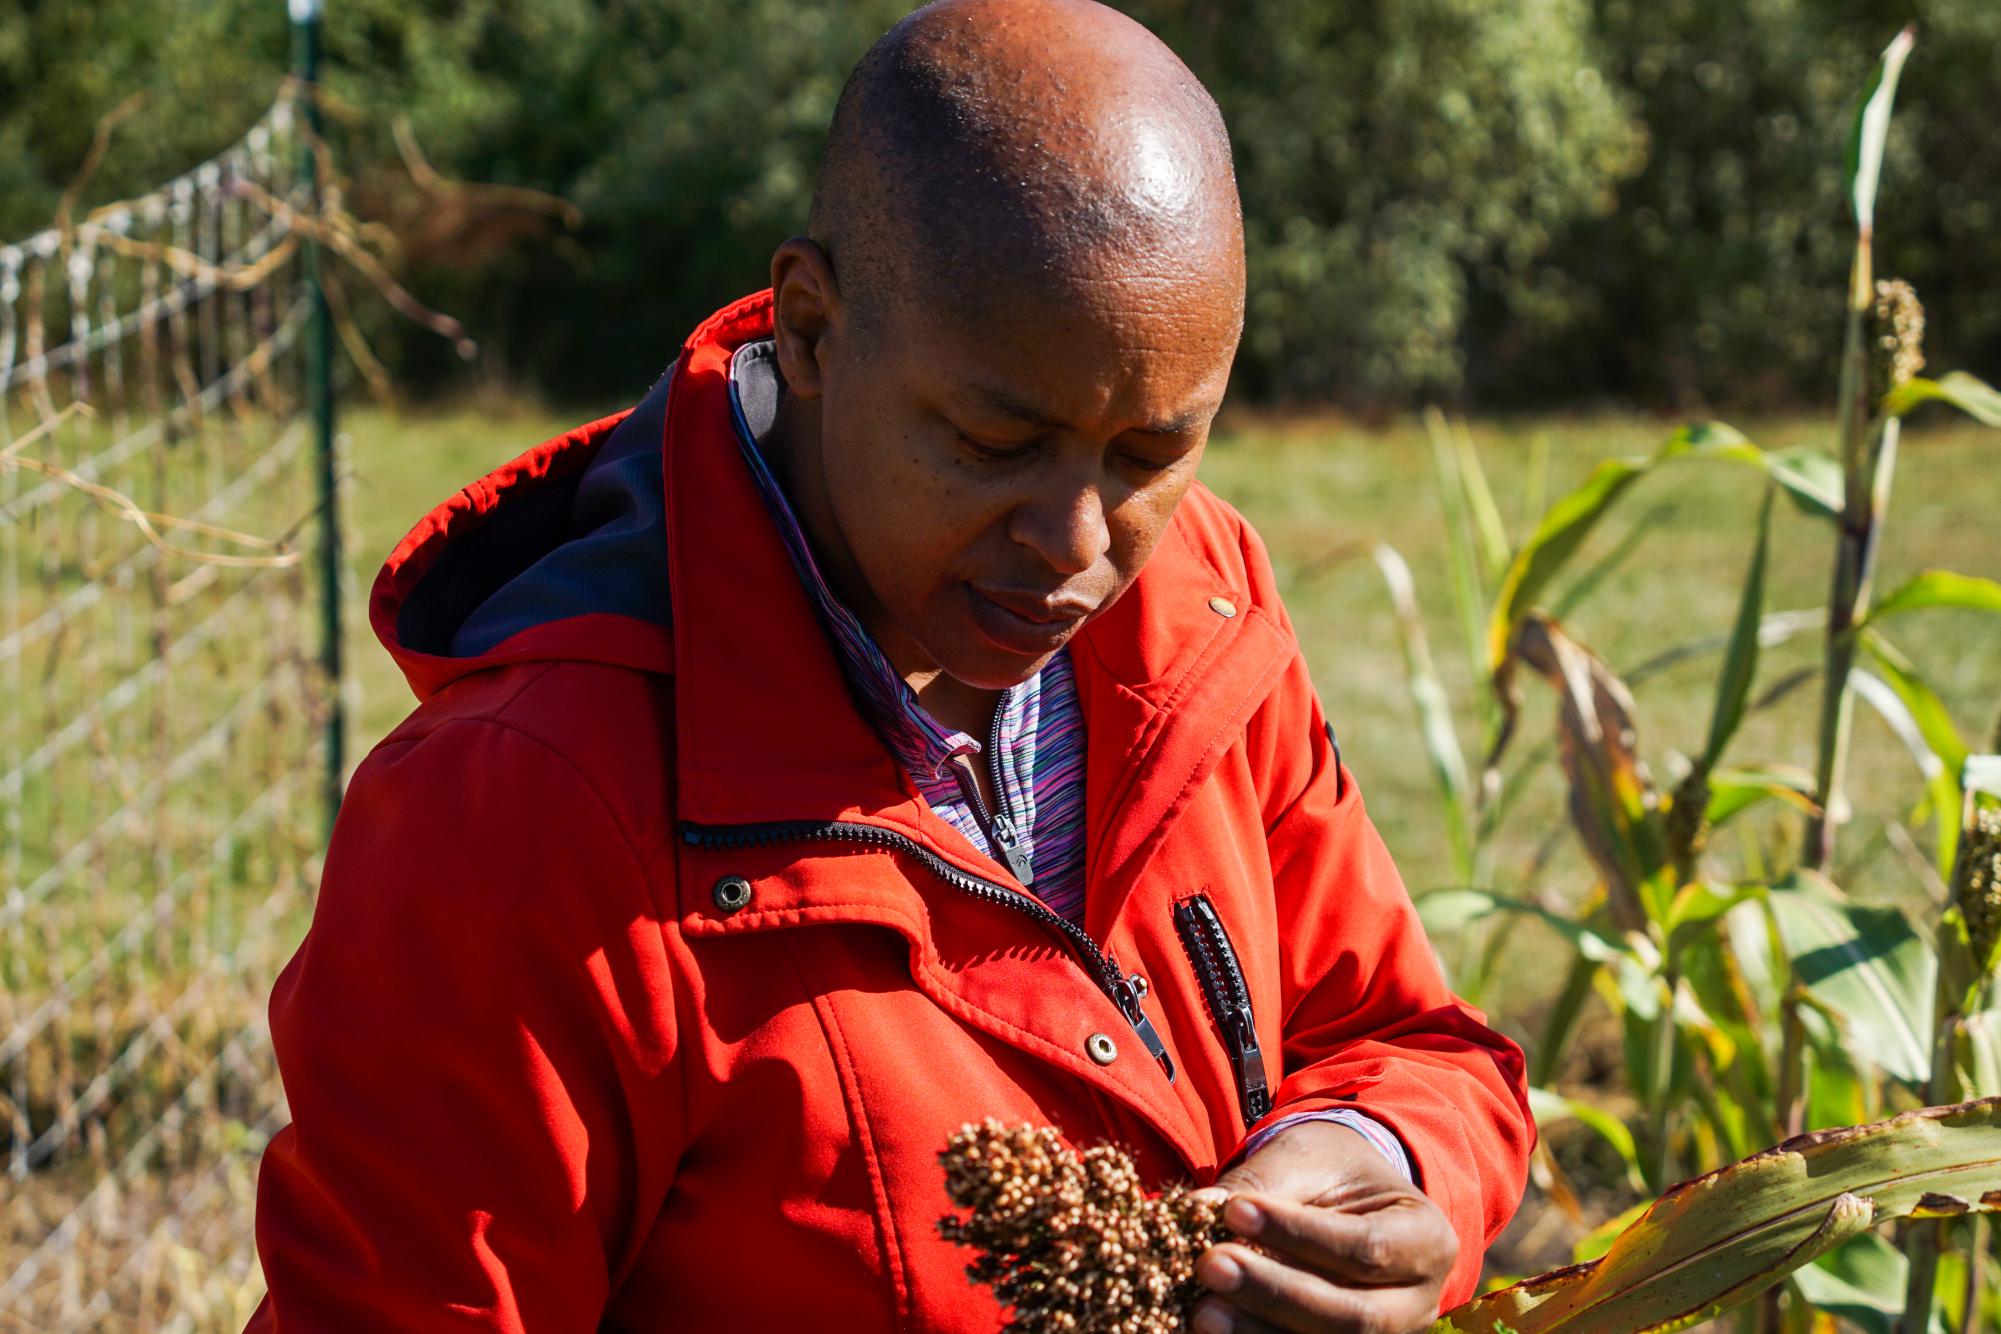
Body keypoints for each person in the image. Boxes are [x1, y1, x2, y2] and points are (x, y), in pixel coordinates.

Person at [247, 1, 1534, 1329]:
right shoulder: (524, 815)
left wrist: (1378, 1174)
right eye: (990, 439)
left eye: (1149, 456)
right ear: (807, 327)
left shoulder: (1198, 602)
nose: (1076, 543)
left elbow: (1414, 1044)